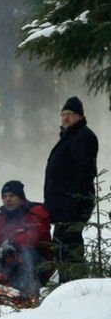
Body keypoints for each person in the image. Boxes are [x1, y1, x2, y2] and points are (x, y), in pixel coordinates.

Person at [0, 180, 53, 304]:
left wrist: (12, 242)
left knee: (26, 253)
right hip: (7, 260)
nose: (7, 199)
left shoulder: (36, 213)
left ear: (21, 197)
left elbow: (37, 236)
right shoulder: (2, 217)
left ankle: (27, 295)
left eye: (12, 196)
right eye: (4, 196)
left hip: (37, 261)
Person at [43, 96, 99, 284]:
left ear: (80, 116)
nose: (66, 118)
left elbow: (84, 173)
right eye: (63, 114)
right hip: (62, 205)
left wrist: (72, 202)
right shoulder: (69, 137)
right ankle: (67, 285)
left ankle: (74, 286)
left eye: (70, 114)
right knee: (61, 245)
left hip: (73, 204)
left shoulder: (84, 137)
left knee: (69, 246)